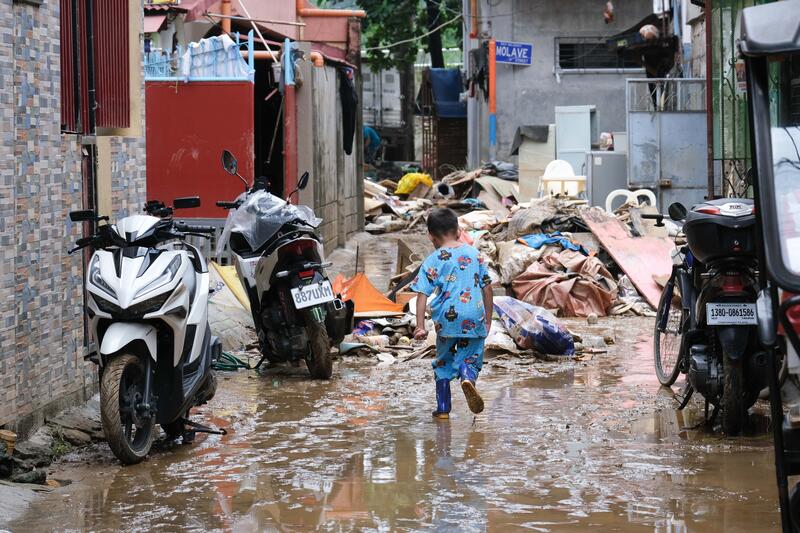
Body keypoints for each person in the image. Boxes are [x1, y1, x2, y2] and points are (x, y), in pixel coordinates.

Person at [410, 208, 493, 418]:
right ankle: (467, 375)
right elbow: (487, 288)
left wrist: (420, 326)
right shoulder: (475, 254)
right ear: (458, 231)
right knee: (471, 357)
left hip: (446, 320)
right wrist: (488, 321)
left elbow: (422, 294)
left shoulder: (433, 260)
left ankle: (444, 409)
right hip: (474, 316)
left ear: (431, 235)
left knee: (443, 360)